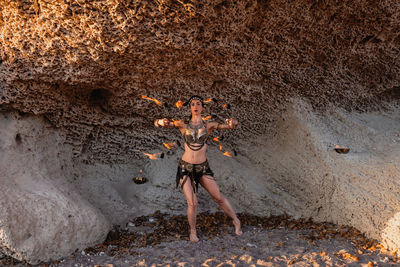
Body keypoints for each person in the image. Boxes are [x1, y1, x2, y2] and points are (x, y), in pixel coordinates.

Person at [154, 95, 242, 242]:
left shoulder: (209, 126)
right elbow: (159, 124)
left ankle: (236, 220)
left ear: (202, 107)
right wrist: (160, 122)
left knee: (218, 197)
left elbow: (231, 126)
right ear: (190, 107)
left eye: (198, 104)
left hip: (202, 167)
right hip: (185, 167)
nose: (195, 106)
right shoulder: (182, 124)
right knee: (192, 202)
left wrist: (234, 122)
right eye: (193, 104)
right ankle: (193, 231)